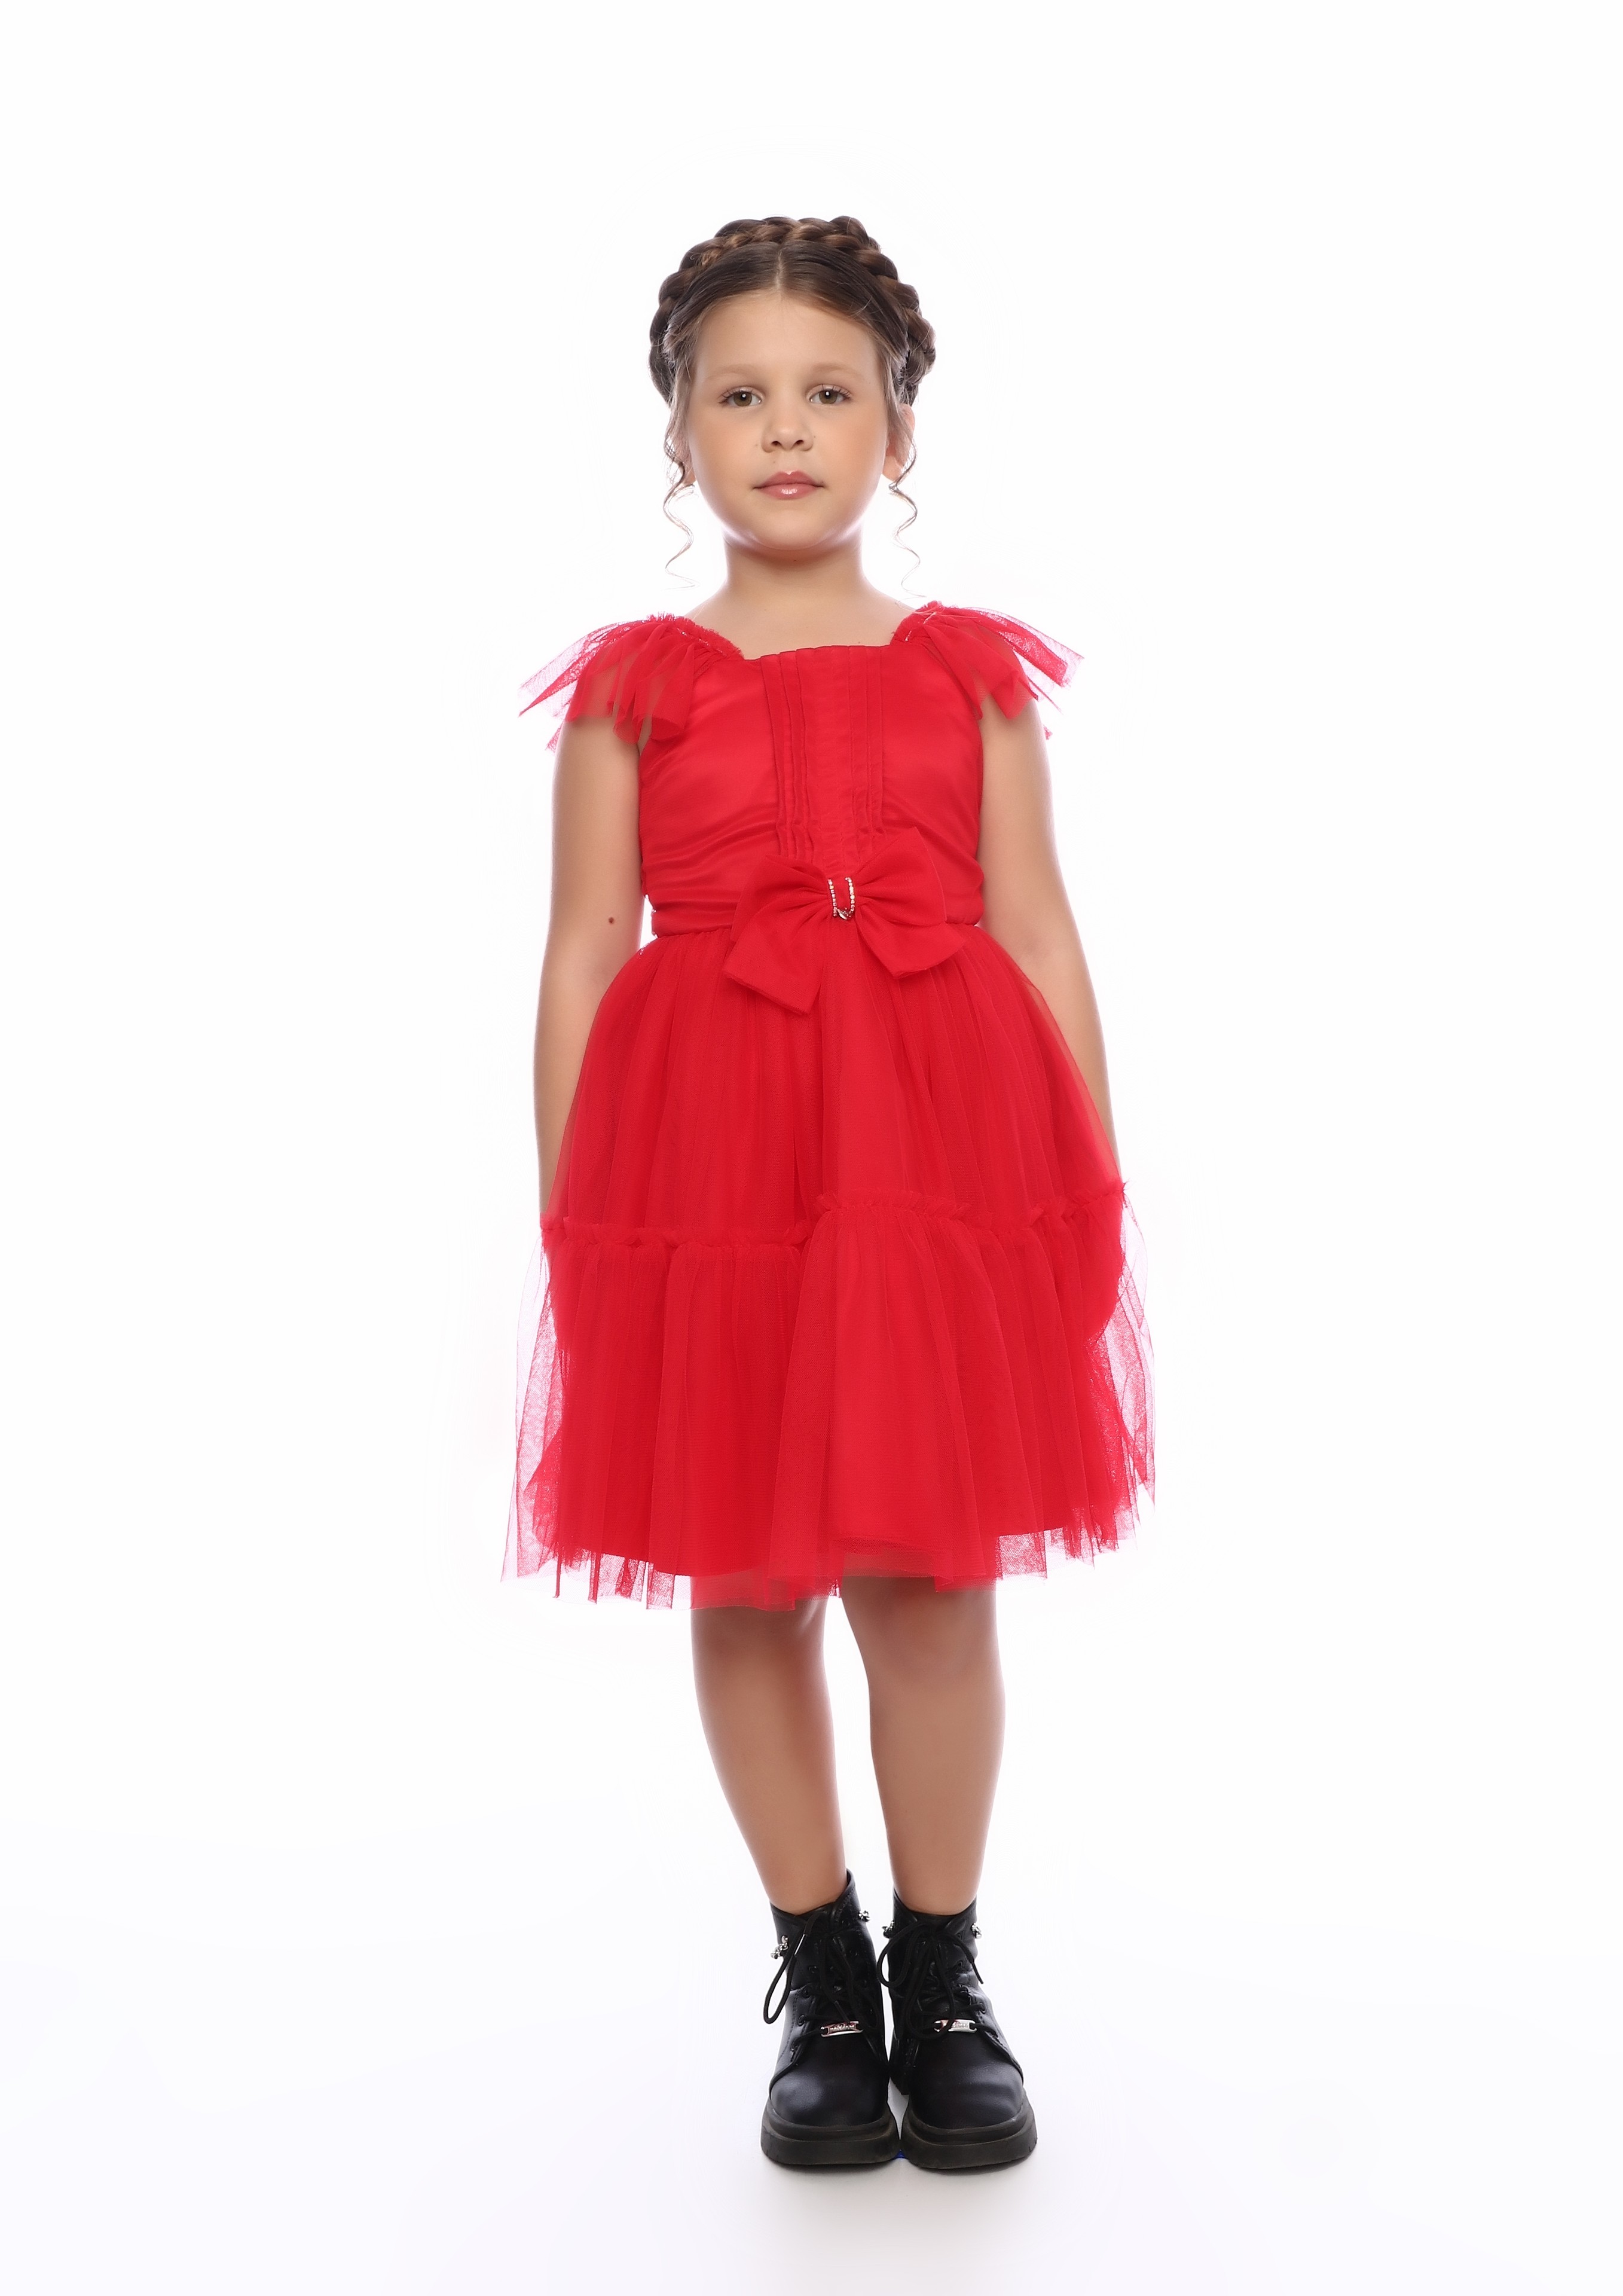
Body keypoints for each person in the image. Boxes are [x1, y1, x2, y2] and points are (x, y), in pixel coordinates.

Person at [510, 214, 1153, 2172]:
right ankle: (823, 1974)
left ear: (897, 427)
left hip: (938, 1171)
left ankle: (942, 1974)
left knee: (931, 1579)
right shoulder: (636, 691)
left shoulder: (967, 678)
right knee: (746, 1578)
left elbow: (1037, 934)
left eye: (826, 392)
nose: (783, 429)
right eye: (738, 394)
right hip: (717, 1182)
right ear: (677, 432)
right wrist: (586, 1237)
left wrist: (1081, 1193)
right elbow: (582, 955)